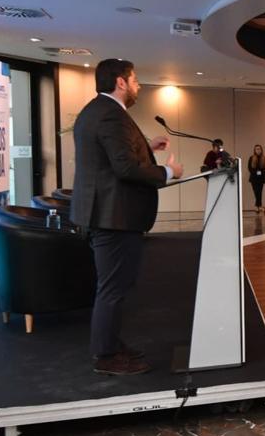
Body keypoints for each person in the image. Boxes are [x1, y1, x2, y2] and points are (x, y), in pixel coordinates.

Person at [70, 59, 182, 375]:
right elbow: (125, 169)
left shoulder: (96, 111)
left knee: (115, 286)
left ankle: (111, 344)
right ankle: (104, 356)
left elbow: (113, 157)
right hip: (113, 218)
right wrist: (168, 171)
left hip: (108, 216)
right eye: (134, 80)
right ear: (121, 82)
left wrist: (147, 147)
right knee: (112, 289)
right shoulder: (111, 115)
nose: (138, 86)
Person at [247, 144, 265, 212]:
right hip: (254, 178)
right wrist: (256, 172)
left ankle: (257, 206)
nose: (258, 150)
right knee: (256, 192)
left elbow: (264, 168)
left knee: (260, 192)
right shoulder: (251, 158)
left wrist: (259, 172)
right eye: (256, 149)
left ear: (261, 150)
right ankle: (259, 206)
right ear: (254, 150)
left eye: (259, 149)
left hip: (261, 178)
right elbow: (249, 168)